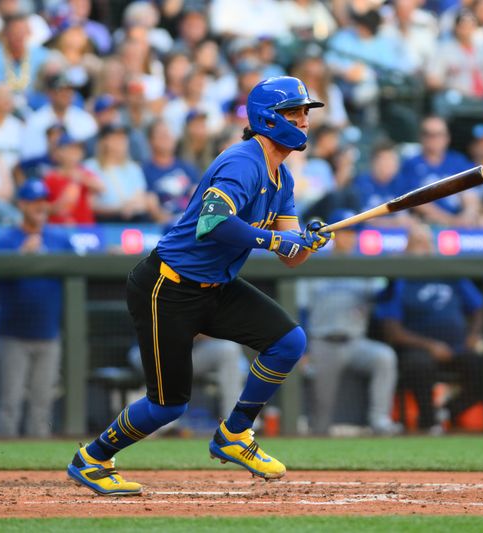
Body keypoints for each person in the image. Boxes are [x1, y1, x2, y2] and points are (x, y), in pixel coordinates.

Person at [66, 76, 333, 494]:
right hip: (167, 285)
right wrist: (276, 239)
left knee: (288, 342)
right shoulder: (243, 162)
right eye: (293, 113)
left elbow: (291, 256)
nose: (303, 121)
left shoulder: (283, 179)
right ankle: (93, 459)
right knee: (167, 405)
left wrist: (311, 242)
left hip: (216, 286)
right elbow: (214, 222)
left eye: (305, 113)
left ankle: (234, 434)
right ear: (267, 119)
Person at [374, 225, 483, 433]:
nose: (422, 248)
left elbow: (479, 307)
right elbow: (392, 329)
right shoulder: (400, 280)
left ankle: (447, 412)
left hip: (457, 346)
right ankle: (428, 421)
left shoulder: (448, 272)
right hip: (417, 348)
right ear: (406, 248)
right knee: (419, 365)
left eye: (426, 242)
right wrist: (430, 346)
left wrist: (473, 335)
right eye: (417, 242)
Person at [300, 209, 400, 436]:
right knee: (321, 420)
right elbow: (301, 310)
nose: (350, 237)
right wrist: (304, 349)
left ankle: (379, 420)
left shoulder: (362, 266)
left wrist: (394, 275)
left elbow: (382, 297)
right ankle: (318, 442)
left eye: (353, 233)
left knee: (384, 357)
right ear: (334, 234)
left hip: (356, 343)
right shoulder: (314, 264)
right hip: (322, 343)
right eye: (345, 232)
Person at [0, 180, 73, 438]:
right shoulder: (6, 240)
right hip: (13, 332)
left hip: (49, 331)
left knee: (42, 404)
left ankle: (37, 473)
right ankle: (1, 462)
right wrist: (20, 254)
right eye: (34, 201)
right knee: (9, 402)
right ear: (22, 204)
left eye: (43, 201)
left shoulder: (59, 239)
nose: (40, 206)